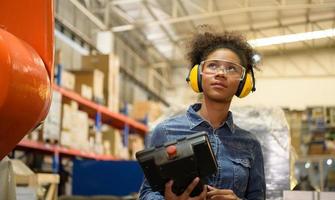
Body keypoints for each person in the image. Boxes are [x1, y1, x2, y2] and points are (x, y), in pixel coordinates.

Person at [139, 25, 266, 200]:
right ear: (197, 75)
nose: (221, 73)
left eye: (231, 68)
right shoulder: (166, 131)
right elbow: (146, 193)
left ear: (244, 83)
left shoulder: (250, 144)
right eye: (213, 66)